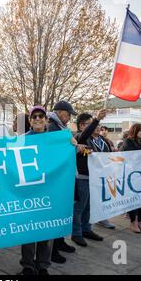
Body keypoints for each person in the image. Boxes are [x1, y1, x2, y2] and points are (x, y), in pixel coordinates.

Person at [18, 106, 54, 275]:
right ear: (30, 121)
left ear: (46, 120)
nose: (38, 119)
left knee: (47, 230)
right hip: (29, 193)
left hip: (49, 192)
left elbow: (69, 155)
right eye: (34, 117)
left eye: (41, 116)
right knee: (28, 231)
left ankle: (43, 265)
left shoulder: (56, 140)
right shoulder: (21, 140)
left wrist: (73, 144)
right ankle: (28, 266)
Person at [71, 110, 109, 247]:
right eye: (90, 124)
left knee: (89, 207)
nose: (96, 127)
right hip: (82, 178)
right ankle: (76, 233)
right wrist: (97, 119)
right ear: (81, 126)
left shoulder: (96, 141)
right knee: (79, 208)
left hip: (94, 178)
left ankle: (87, 229)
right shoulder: (78, 138)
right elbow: (84, 137)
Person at [46, 100, 78, 264]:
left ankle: (59, 242)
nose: (70, 117)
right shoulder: (52, 127)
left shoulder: (61, 128)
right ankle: (53, 251)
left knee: (62, 212)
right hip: (55, 179)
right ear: (60, 112)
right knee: (56, 214)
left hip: (62, 177)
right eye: (68, 114)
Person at [122, 124, 141, 233]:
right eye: (140, 131)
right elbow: (133, 156)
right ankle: (133, 221)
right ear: (134, 131)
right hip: (132, 175)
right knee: (133, 198)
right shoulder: (128, 142)